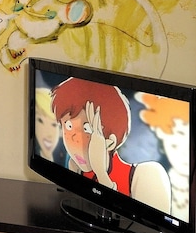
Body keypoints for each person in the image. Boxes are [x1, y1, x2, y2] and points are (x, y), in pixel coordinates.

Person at [51, 77, 172, 214]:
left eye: (87, 129)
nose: (75, 139)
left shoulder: (146, 176)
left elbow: (151, 224)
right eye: (68, 126)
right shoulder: (75, 167)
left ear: (111, 141)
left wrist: (102, 175)